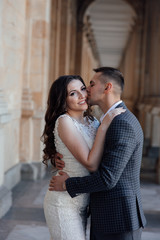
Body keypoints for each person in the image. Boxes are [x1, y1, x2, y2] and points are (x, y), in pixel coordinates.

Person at [49, 67, 147, 240]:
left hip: (118, 217)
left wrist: (67, 184)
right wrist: (59, 157)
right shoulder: (106, 121)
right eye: (74, 92)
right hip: (102, 214)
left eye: (90, 85)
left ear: (107, 88)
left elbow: (107, 177)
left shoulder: (118, 122)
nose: (86, 90)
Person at [41, 74, 125, 240]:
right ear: (63, 101)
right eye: (72, 93)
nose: (81, 95)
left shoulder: (92, 121)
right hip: (63, 202)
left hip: (83, 202)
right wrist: (104, 126)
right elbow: (91, 164)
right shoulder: (64, 121)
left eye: (82, 89)